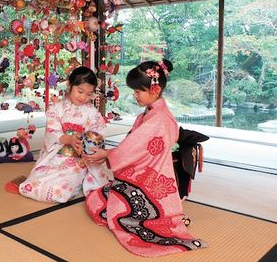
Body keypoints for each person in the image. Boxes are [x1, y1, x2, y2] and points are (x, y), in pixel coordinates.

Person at [83, 60, 207, 257]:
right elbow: (133, 143)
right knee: (97, 199)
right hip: (143, 173)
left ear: (154, 89)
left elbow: (134, 148)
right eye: (134, 90)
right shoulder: (151, 113)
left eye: (138, 90)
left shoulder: (160, 119)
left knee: (104, 208)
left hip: (148, 179)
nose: (135, 95)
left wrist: (107, 154)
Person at [11, 66, 109, 203]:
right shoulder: (56, 109)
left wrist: (86, 141)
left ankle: (76, 183)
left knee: (61, 191)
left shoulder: (92, 112)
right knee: (32, 184)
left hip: (78, 160)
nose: (83, 97)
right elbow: (53, 132)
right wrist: (69, 139)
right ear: (69, 85)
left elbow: (99, 131)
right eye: (80, 91)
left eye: (88, 94)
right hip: (56, 156)